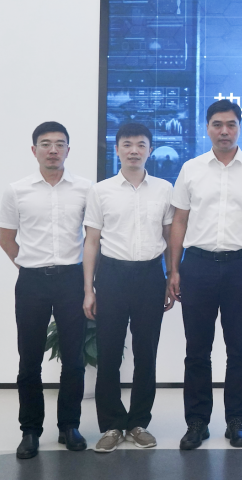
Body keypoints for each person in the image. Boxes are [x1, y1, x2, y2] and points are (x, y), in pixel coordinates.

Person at [167, 99, 242, 450]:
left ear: (239, 127)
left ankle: (236, 421)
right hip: (197, 265)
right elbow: (179, 221)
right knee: (197, 349)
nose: (224, 131)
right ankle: (197, 422)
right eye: (217, 124)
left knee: (239, 349)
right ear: (207, 128)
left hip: (241, 267)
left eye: (231, 125)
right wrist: (174, 269)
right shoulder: (191, 168)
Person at [0, 122, 92, 459]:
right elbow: (6, 240)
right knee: (29, 359)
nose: (53, 150)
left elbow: (93, 238)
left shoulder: (85, 189)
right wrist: (30, 266)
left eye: (59, 144)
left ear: (68, 149)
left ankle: (69, 426)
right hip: (32, 282)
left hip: (72, 279)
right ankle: (30, 430)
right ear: (34, 149)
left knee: (74, 359)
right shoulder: (17, 190)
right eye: (45, 143)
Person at [82, 123, 175, 452]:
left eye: (140, 144)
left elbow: (170, 238)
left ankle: (138, 423)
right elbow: (91, 241)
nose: (134, 150)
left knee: (146, 352)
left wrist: (171, 276)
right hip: (112, 276)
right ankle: (111, 425)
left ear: (150, 149)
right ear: (117, 149)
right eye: (127, 144)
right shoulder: (101, 191)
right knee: (108, 353)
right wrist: (89, 289)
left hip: (150, 276)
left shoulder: (164, 189)